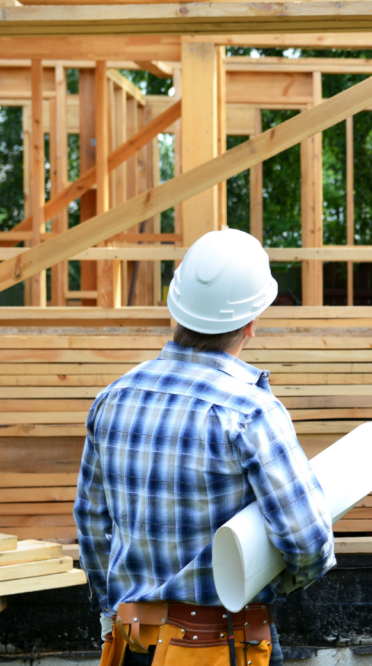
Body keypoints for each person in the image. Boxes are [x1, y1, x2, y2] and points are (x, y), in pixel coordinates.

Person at [75, 229, 336, 666]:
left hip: (133, 643)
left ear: (175, 308)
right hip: (225, 648)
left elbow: (91, 523)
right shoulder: (251, 411)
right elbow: (308, 544)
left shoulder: (113, 398)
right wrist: (277, 580)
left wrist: (109, 609)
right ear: (252, 322)